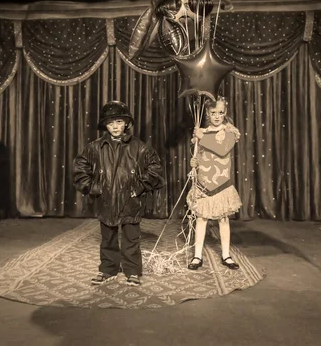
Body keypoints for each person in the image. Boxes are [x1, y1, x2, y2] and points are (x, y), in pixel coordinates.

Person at [73, 101, 165, 286]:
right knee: (108, 238)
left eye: (119, 122)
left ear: (126, 124)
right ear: (105, 126)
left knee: (131, 238)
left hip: (130, 201)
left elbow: (155, 168)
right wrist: (93, 188)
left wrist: (138, 188)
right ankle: (108, 270)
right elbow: (80, 169)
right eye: (110, 123)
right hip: (105, 200)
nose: (115, 127)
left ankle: (132, 271)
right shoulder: (95, 147)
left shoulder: (139, 147)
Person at [186, 96, 242, 270]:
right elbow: (199, 154)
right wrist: (193, 162)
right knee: (201, 218)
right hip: (203, 182)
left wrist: (202, 137)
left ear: (225, 113)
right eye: (213, 113)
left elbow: (222, 149)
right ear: (208, 114)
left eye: (220, 112)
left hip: (221, 183)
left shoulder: (230, 132)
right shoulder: (202, 132)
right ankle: (197, 255)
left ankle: (226, 255)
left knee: (223, 219)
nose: (217, 116)